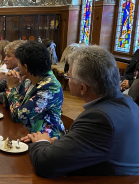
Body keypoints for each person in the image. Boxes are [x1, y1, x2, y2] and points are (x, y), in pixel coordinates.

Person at [26, 46, 139, 177]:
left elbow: (44, 164)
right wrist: (57, 144)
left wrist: (41, 141)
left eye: (69, 76)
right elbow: (95, 145)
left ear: (82, 88)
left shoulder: (99, 118)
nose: (67, 79)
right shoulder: (128, 103)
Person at [5, 42, 65, 139]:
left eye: (18, 63)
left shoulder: (50, 87)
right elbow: (8, 104)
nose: (17, 67)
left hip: (46, 140)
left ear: (26, 67)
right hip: (26, 132)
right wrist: (13, 84)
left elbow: (18, 115)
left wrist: (11, 88)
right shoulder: (30, 78)